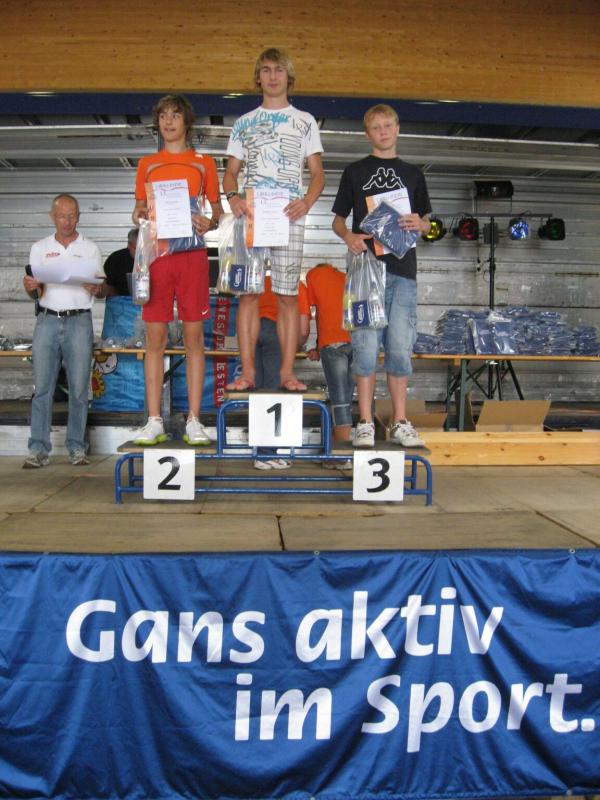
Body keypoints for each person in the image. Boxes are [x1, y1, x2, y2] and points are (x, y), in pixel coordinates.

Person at [223, 47, 324, 394]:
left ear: (288, 76)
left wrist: (306, 202)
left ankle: (286, 373)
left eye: (278, 70)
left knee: (287, 296)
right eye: (266, 70)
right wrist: (233, 198)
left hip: (288, 215)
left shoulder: (305, 120)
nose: (272, 76)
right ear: (258, 78)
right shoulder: (243, 122)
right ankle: (248, 373)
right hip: (251, 215)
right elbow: (230, 172)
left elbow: (318, 174)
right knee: (247, 295)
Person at [332, 104, 432, 448]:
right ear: (367, 133)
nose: (383, 132)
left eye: (388, 125)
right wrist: (348, 236)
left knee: (400, 348)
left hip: (403, 273)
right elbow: (337, 220)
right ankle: (364, 422)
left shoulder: (414, 174)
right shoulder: (354, 171)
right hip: (365, 273)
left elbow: (428, 223)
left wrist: (421, 224)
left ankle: (400, 421)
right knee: (364, 347)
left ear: (398, 127)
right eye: (376, 127)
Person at [131, 94, 223, 446]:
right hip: (157, 257)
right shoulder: (147, 164)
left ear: (187, 122)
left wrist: (210, 221)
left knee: (194, 339)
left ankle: (194, 420)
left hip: (192, 257)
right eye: (163, 116)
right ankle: (154, 420)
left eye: (175, 115)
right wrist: (138, 214)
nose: (168, 121)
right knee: (154, 339)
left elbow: (217, 210)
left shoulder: (203, 163)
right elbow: (139, 209)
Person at [22, 193, 102, 468]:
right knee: (42, 388)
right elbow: (35, 291)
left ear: (79, 217)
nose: (67, 221)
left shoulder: (90, 248)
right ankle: (38, 449)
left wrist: (97, 288)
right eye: (61, 216)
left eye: (72, 216)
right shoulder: (39, 248)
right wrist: (30, 287)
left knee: (79, 389)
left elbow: (100, 288)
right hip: (47, 320)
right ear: (52, 217)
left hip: (79, 321)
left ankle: (77, 448)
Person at [253, 277, 309, 470]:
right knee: (273, 393)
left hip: (252, 332)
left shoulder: (259, 280)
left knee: (258, 393)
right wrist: (295, 345)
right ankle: (267, 454)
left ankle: (260, 452)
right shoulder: (295, 284)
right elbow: (303, 329)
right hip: (277, 331)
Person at [305, 262, 354, 444]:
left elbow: (314, 311)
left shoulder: (313, 275)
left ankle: (341, 446)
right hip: (356, 341)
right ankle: (343, 439)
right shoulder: (345, 277)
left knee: (338, 397)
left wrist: (316, 346)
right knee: (347, 396)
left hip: (332, 342)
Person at [98, 227, 138, 297]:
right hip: (118, 301)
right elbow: (105, 287)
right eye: (137, 249)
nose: (140, 253)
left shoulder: (153, 259)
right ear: (129, 245)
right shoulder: (115, 259)